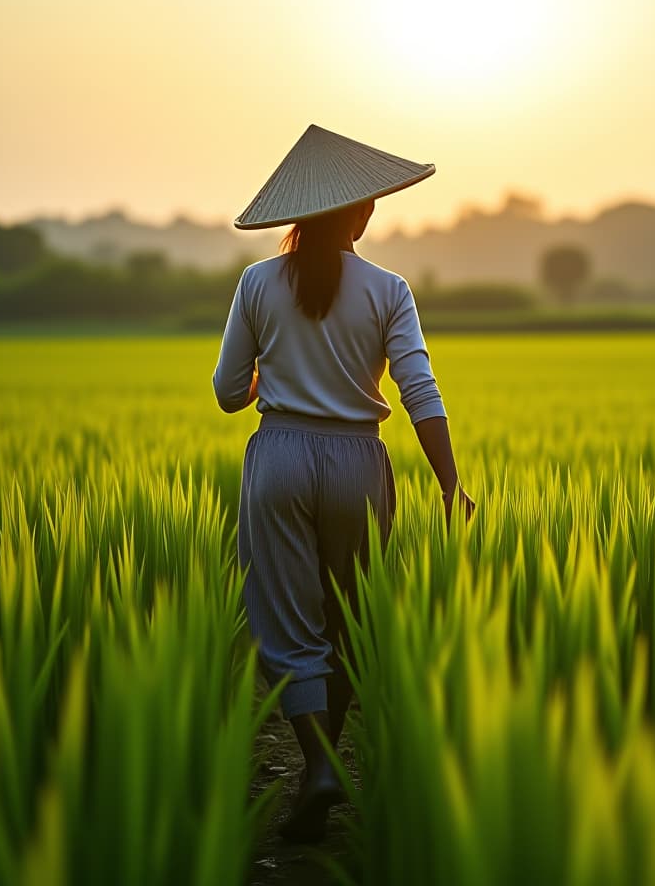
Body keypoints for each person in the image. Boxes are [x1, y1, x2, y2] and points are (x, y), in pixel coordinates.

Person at [213, 125, 475, 843]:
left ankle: (318, 766)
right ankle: (325, 765)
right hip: (359, 462)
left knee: (289, 625)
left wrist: (275, 372)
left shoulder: (258, 283)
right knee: (349, 621)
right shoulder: (389, 290)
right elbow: (420, 390)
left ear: (295, 214)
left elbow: (228, 392)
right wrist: (450, 483)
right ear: (361, 214)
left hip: (282, 459)